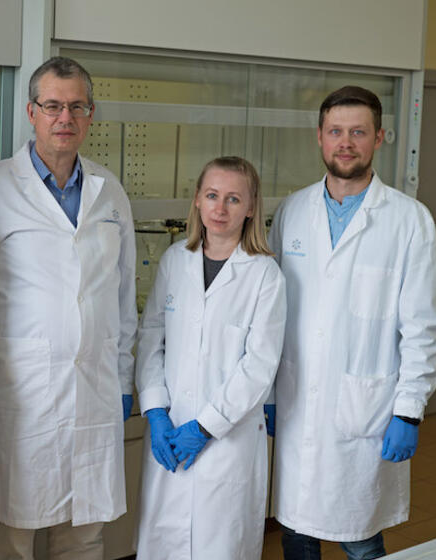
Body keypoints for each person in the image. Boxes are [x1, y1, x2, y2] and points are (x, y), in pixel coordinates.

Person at [0, 56, 138, 559]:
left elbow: (123, 297)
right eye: (53, 106)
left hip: (94, 392)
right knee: (10, 540)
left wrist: (124, 378)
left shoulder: (109, 191)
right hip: (19, 397)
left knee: (85, 538)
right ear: (31, 112)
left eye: (77, 107)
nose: (65, 117)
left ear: (91, 114)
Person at [269, 85, 436, 560]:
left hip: (365, 410)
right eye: (336, 131)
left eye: (358, 132)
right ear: (319, 137)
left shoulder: (409, 221)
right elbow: (272, 314)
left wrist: (408, 411)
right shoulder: (291, 212)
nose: (345, 143)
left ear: (379, 137)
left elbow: (422, 329)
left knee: (360, 539)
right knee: (295, 533)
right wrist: (268, 393)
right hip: (297, 401)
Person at [134, 156, 285, 559]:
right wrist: (155, 410)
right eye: (212, 195)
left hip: (227, 440)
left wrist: (205, 427)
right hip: (171, 430)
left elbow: (259, 365)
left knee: (220, 546)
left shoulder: (264, 274)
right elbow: (151, 337)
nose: (220, 208)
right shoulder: (174, 261)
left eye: (234, 199)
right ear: (197, 200)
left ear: (250, 208)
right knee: (164, 545)